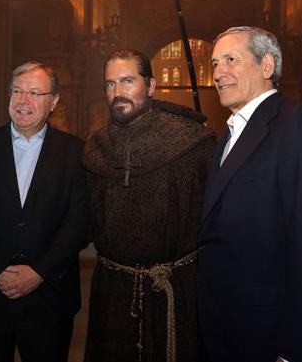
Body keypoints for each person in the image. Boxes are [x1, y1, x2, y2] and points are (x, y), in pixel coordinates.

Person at [197, 26, 302, 362]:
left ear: (267, 67)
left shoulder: (299, 124)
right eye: (214, 63)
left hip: (272, 335)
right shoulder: (229, 134)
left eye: (231, 60)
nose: (219, 72)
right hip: (227, 329)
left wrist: (295, 348)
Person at [83, 49, 216, 362]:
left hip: (174, 290)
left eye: (127, 81)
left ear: (152, 86)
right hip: (112, 290)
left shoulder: (192, 142)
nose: (117, 92)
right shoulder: (96, 147)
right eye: (110, 84)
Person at [0, 62, 89, 362]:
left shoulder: (76, 152)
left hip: (49, 301)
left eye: (34, 92)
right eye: (17, 91)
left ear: (53, 101)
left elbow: (78, 223)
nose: (23, 100)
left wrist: (40, 272)